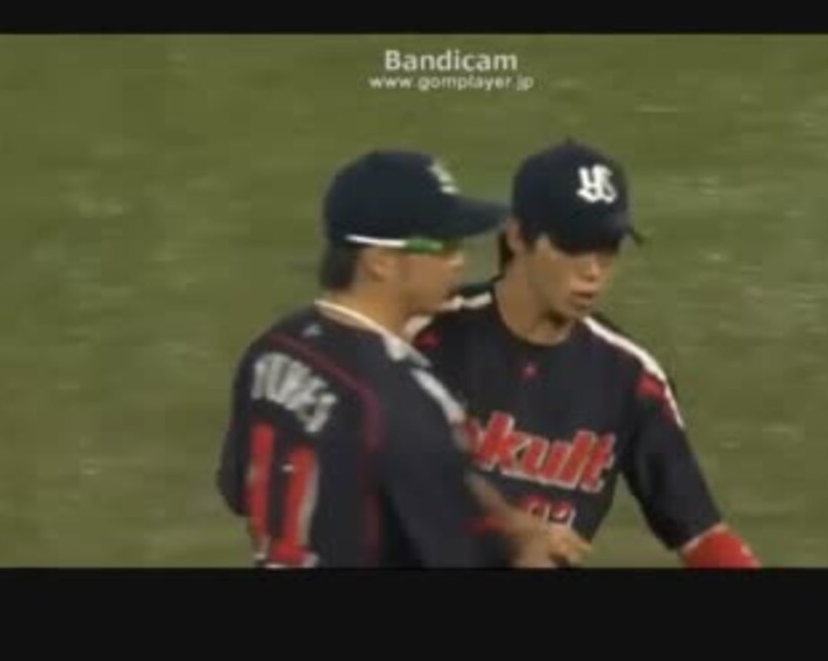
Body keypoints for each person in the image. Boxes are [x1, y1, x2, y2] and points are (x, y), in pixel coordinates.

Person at [407, 140, 761, 568]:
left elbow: (703, 536)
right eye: (572, 246)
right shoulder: (423, 336)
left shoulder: (630, 378)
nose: (593, 270)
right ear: (517, 236)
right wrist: (508, 531)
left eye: (607, 247)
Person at [216, 148, 555, 567]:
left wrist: (512, 524)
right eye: (443, 245)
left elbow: (240, 493)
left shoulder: (274, 348)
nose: (459, 261)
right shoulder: (407, 401)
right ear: (380, 262)